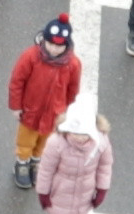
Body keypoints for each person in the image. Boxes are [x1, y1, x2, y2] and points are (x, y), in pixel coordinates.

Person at [5, 14, 85, 184]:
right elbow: (17, 81)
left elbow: (73, 89)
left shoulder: (73, 64)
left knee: (45, 141)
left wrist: (69, 111)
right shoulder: (30, 56)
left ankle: (36, 161)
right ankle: (22, 163)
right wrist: (16, 106)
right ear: (44, 41)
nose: (54, 49)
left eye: (59, 46)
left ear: (66, 45)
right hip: (30, 110)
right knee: (25, 140)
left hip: (55, 114)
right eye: (50, 44)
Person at [35, 112, 113, 214]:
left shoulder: (101, 142)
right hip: (60, 189)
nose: (79, 137)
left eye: (84, 133)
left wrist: (102, 189)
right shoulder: (56, 142)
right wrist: (43, 192)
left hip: (84, 190)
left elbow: (105, 166)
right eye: (75, 132)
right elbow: (46, 169)